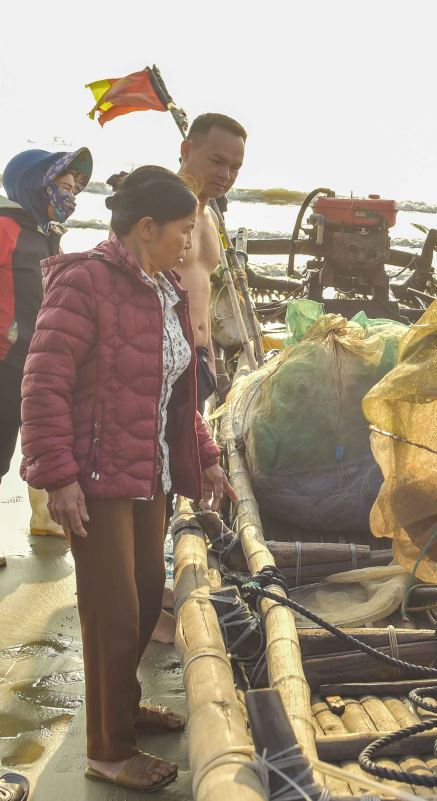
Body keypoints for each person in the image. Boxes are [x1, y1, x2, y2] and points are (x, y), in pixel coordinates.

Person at [20, 166, 236, 792]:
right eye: (183, 231)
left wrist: (208, 457)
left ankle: (125, 704)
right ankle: (109, 749)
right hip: (95, 479)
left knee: (144, 601)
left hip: (150, 473)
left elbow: (177, 391)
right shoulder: (85, 282)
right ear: (147, 227)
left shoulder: (162, 285)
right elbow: (43, 383)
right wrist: (58, 478)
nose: (189, 245)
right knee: (113, 613)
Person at [1, 147, 91, 480]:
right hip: (3, 360)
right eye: (63, 187)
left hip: (28, 365)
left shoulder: (47, 236)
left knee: (18, 452)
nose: (70, 197)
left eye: (73, 190)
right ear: (33, 185)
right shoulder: (5, 226)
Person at [177, 112, 247, 410]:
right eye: (217, 162)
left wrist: (213, 366)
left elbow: (201, 296)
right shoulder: (154, 207)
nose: (226, 175)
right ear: (186, 151)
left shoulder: (208, 216)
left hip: (200, 362)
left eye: (235, 167)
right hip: (160, 360)